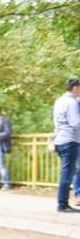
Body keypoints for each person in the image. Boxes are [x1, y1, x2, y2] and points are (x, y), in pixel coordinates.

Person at [53, 78, 80, 212]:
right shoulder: (72, 102)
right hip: (70, 141)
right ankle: (62, 205)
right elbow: (75, 123)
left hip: (60, 140)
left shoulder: (59, 100)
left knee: (68, 172)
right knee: (67, 174)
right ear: (75, 88)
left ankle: (63, 203)